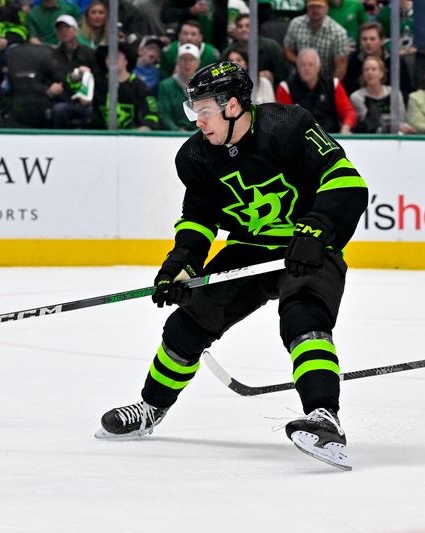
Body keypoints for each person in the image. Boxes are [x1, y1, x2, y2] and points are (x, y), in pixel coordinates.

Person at [96, 60, 367, 470]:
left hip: (306, 245)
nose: (198, 121)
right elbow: (199, 218)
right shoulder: (195, 157)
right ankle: (151, 408)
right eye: (195, 111)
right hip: (250, 248)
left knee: (303, 315)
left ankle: (324, 417)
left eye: (204, 110)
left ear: (234, 105)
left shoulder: (289, 126)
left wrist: (315, 232)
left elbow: (346, 182)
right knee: (188, 322)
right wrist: (181, 262)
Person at [276, 47, 356, 134]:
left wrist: (346, 127)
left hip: (331, 136)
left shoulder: (333, 84)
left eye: (310, 65)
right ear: (298, 68)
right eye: (303, 65)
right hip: (300, 139)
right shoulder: (285, 87)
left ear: (318, 67)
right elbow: (282, 119)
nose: (306, 68)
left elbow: (349, 112)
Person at [92, 43, 159, 130]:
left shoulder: (138, 86)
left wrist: (146, 127)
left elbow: (152, 113)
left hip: (132, 137)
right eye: (109, 57)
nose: (112, 61)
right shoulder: (99, 84)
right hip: (100, 137)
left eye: (117, 57)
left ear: (126, 61)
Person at [48, 14, 96, 129]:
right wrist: (50, 90)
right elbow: (50, 78)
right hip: (63, 100)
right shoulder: (51, 55)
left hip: (87, 101)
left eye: (67, 28)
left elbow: (98, 78)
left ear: (76, 31)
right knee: (59, 110)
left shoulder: (89, 53)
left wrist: (90, 97)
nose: (63, 31)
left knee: (93, 112)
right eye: (60, 29)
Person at [283, 0, 349, 80]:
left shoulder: (338, 32)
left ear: (327, 9)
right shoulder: (295, 24)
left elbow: (341, 67)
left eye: (319, 7)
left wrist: (331, 86)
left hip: (325, 78)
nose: (315, 10)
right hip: (299, 77)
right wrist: (302, 63)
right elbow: (287, 50)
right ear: (307, 8)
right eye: (312, 7)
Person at [349, 55, 414, 134]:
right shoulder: (357, 97)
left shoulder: (394, 93)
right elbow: (368, 123)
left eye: (374, 69)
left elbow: (401, 119)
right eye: (366, 70)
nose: (370, 72)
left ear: (381, 73)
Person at [157, 42, 200, 131]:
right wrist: (176, 131)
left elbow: (207, 115)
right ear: (177, 61)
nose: (187, 63)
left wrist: (196, 133)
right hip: (171, 136)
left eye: (191, 59)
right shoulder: (166, 86)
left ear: (198, 63)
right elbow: (164, 114)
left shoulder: (204, 86)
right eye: (183, 59)